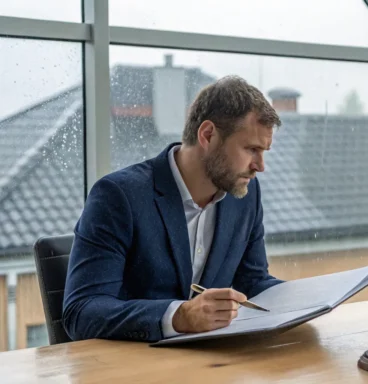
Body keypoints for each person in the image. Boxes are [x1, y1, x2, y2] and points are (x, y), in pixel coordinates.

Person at [63, 75, 284, 342]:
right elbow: (82, 312)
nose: (260, 166)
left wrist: (311, 296)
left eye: (264, 152)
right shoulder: (118, 196)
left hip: (213, 366)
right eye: (251, 149)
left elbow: (253, 283)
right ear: (208, 135)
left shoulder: (245, 194)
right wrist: (177, 316)